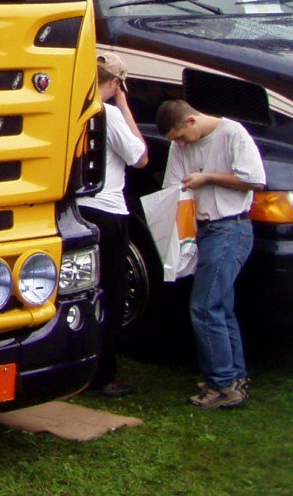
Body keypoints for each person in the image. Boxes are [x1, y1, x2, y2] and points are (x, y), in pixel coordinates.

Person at [157, 98, 265, 410]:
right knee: (221, 306)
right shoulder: (180, 146)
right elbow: (172, 186)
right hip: (203, 228)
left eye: (181, 136)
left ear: (191, 120)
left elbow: (255, 180)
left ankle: (220, 383)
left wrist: (207, 178)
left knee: (204, 306)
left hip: (230, 227)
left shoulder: (233, 133)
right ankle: (235, 377)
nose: (180, 143)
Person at [80, 52, 147, 398]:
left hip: (76, 209)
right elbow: (140, 157)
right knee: (110, 291)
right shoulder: (109, 113)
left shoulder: (73, 108)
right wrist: (123, 104)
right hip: (107, 209)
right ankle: (103, 373)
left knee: (80, 291)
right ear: (116, 82)